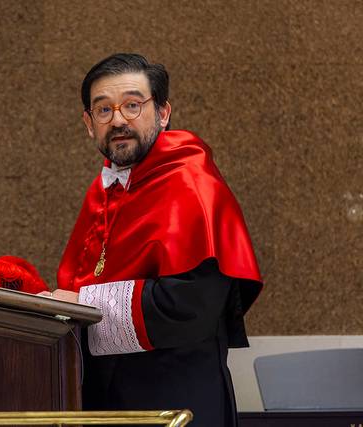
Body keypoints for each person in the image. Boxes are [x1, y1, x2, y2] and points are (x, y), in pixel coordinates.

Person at [43, 53, 263, 427]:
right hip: (104, 402)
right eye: (103, 110)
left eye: (132, 105)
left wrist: (82, 302)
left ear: (162, 114)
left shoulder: (193, 184)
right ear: (88, 123)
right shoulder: (104, 190)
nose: (118, 121)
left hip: (176, 404)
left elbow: (189, 306)